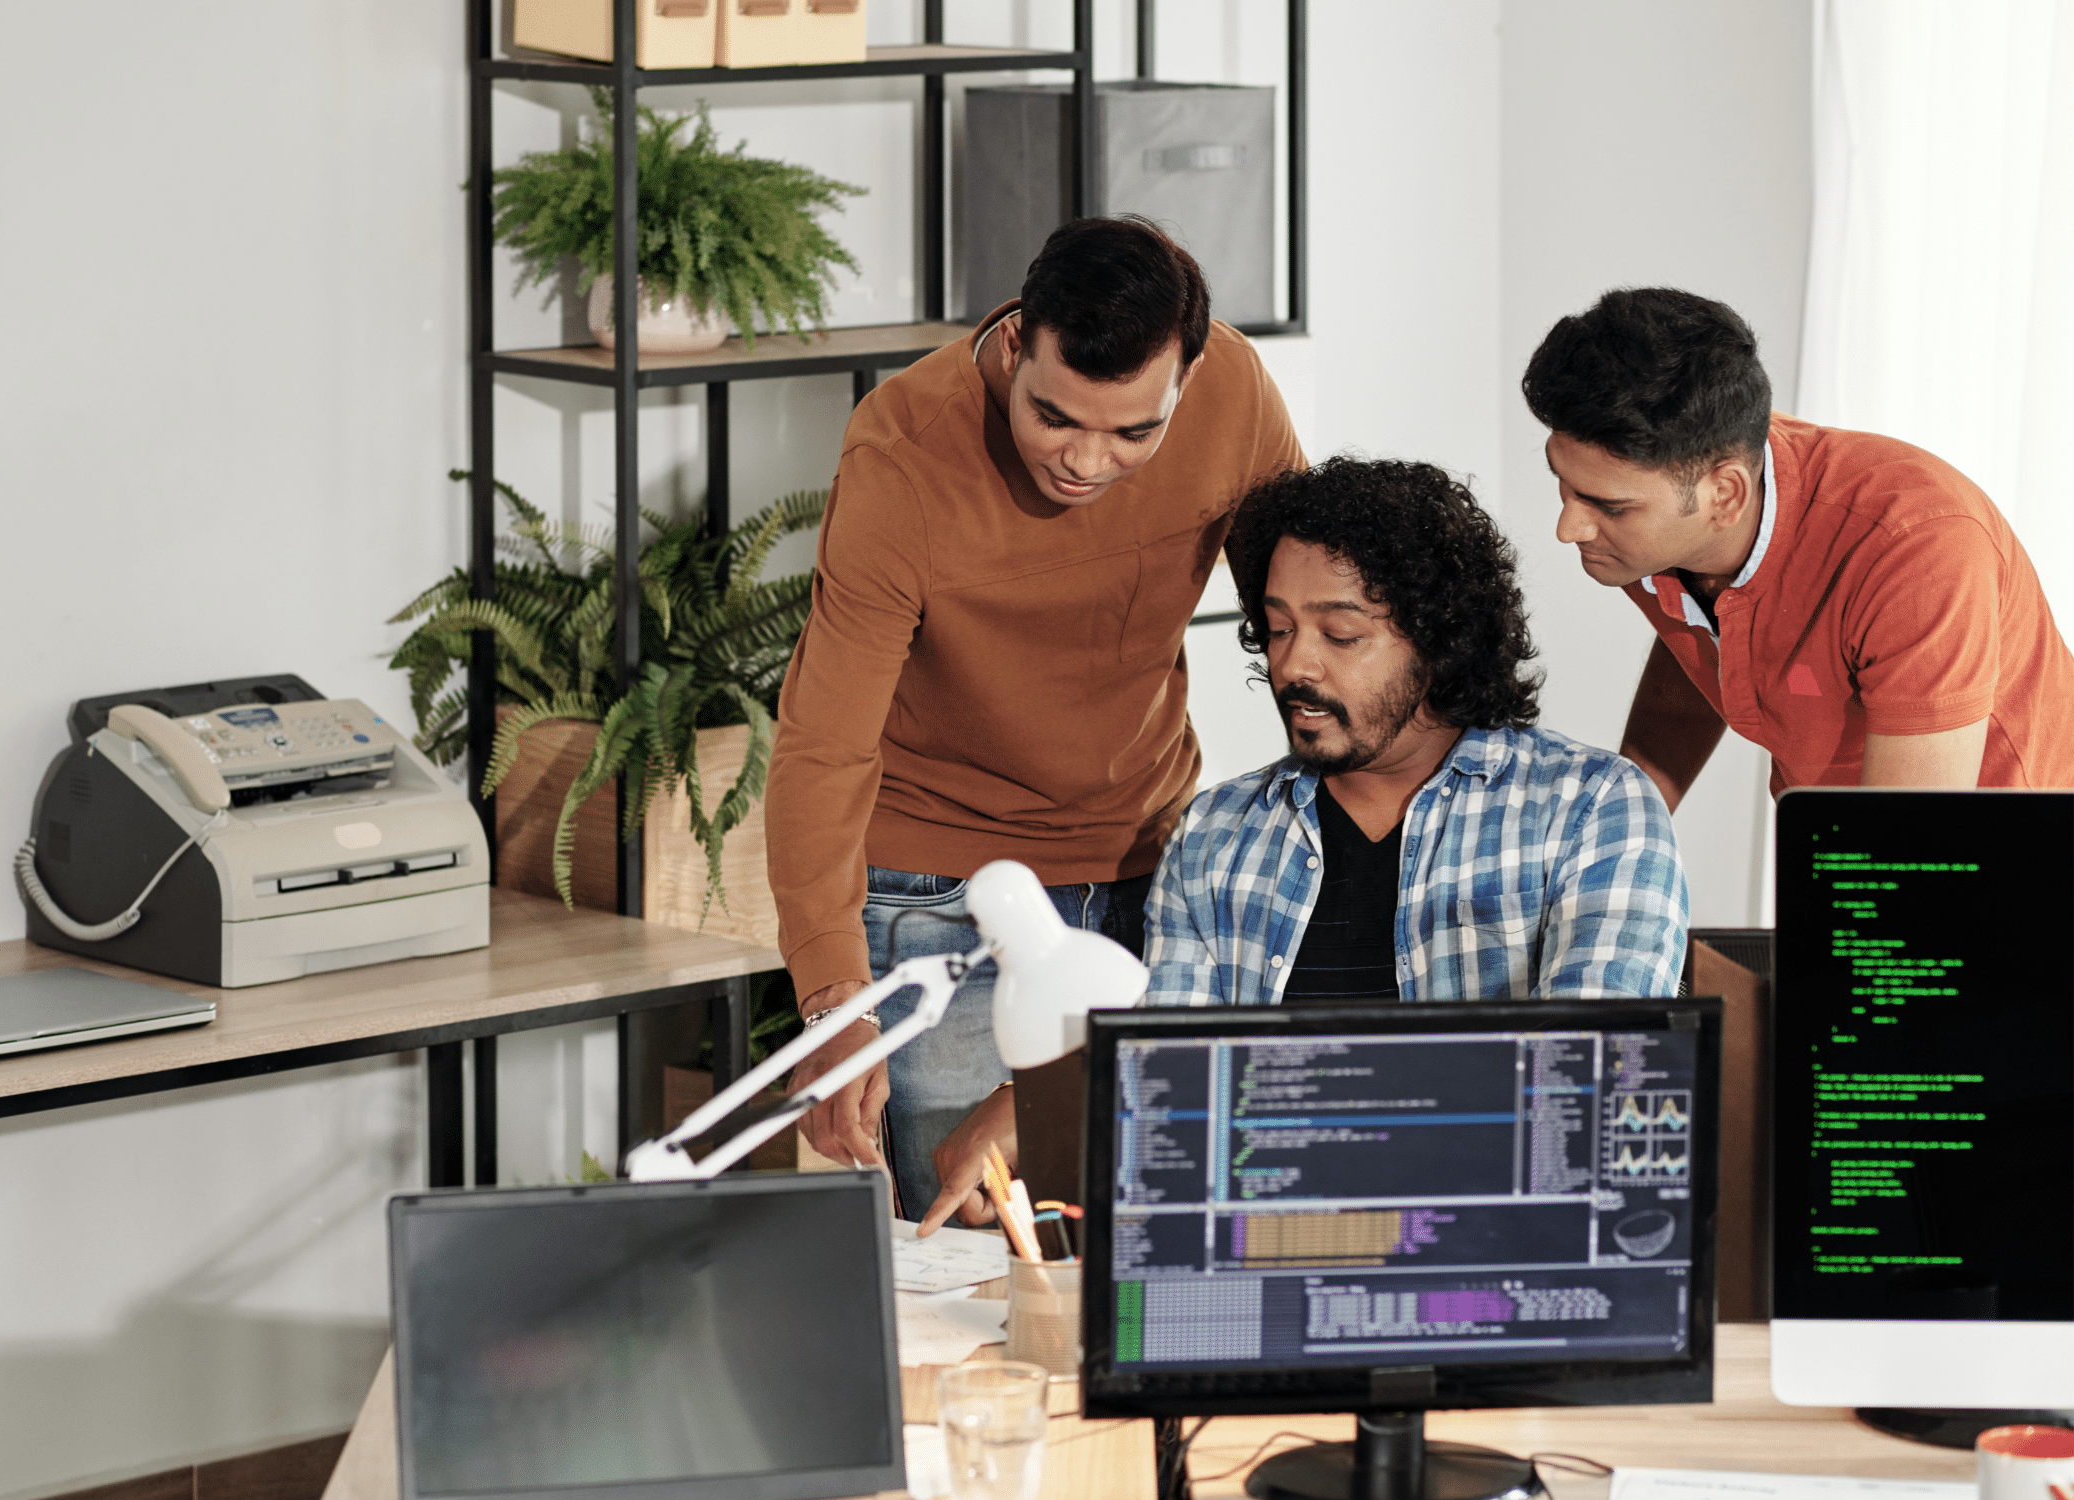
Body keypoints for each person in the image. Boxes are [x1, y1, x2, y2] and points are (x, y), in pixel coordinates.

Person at [918, 457, 1689, 1233]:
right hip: (1256, 1279)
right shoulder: (1218, 835)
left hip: (1499, 1268)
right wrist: (1044, 1117)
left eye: (1340, 633)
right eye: (1278, 627)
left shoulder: (1591, 809)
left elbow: (1586, 1097)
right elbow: (1165, 1104)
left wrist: (1275, 1120)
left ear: (1439, 640)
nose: (1293, 664)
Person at [765, 215, 1305, 1216]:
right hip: (944, 895)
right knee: (976, 1248)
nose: (1086, 463)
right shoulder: (903, 449)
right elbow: (825, 742)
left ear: (1187, 379)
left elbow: (1309, 621)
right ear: (1015, 343)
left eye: (1133, 432)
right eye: (1053, 417)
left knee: (1169, 1230)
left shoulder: (1231, 391)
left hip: (1155, 866)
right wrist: (833, 998)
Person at [1522, 286, 2074, 807]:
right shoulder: (1674, 505)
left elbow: (1910, 852)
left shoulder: (1918, 550)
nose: (1568, 528)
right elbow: (1706, 638)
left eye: (1608, 506)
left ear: (1726, 492)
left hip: (2004, 857)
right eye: (1562, 485)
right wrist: (1617, 832)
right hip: (1840, 841)